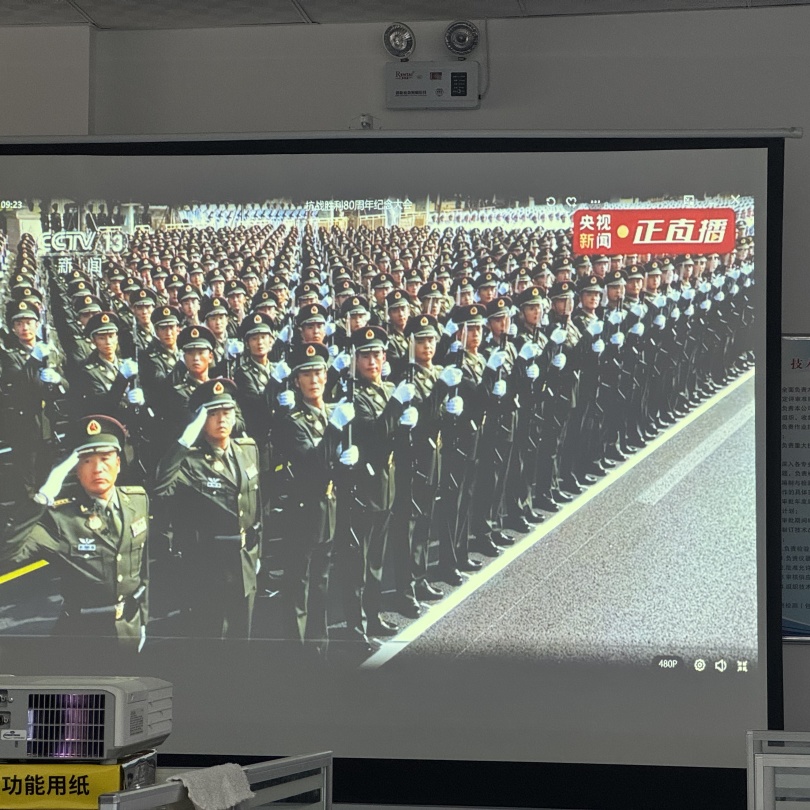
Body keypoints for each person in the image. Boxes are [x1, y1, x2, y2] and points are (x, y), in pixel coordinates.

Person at [1, 415, 149, 650]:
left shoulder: (138, 500)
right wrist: (41, 499)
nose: (98, 468)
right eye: (87, 461)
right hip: (82, 636)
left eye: (105, 458)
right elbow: (7, 555)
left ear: (118, 463)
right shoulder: (60, 519)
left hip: (129, 628)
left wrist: (143, 621)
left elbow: (142, 571)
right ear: (76, 470)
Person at [154, 378, 262, 639]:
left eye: (227, 412)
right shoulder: (190, 460)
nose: (222, 419)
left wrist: (257, 552)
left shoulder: (248, 449)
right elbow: (160, 488)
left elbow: (256, 508)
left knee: (242, 636)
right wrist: (183, 442)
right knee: (213, 637)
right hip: (209, 564)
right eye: (213, 414)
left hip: (244, 560)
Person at [275, 342, 357, 657]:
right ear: (296, 381)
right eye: (306, 374)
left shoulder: (332, 412)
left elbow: (336, 465)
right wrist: (335, 430)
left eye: (318, 372)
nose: (313, 380)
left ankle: (318, 646)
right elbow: (313, 464)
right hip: (303, 511)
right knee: (299, 584)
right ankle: (296, 652)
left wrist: (351, 459)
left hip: (329, 508)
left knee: (321, 581)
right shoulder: (293, 421)